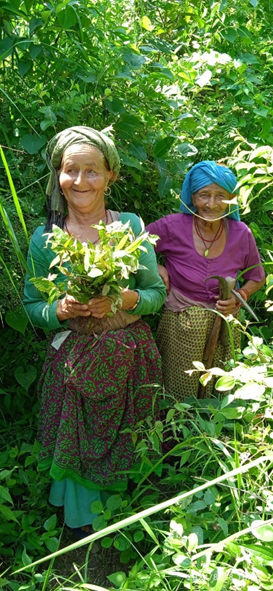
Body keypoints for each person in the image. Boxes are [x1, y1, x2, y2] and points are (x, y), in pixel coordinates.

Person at [23, 126, 166, 536]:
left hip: (128, 357)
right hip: (74, 360)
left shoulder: (130, 227)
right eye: (71, 171)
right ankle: (81, 525)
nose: (81, 181)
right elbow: (33, 307)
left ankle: (124, 520)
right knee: (77, 437)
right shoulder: (45, 239)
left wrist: (124, 299)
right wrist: (60, 309)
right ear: (58, 176)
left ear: (110, 176)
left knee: (124, 434)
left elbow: (155, 293)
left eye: (92, 171)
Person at [146, 161, 265, 402]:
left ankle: (213, 434)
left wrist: (239, 296)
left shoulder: (241, 233)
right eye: (204, 195)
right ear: (192, 197)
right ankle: (173, 436)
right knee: (176, 389)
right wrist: (155, 265)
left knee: (219, 388)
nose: (211, 204)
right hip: (181, 326)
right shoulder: (172, 225)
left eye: (220, 195)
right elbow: (135, 247)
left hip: (224, 326)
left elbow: (257, 277)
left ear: (232, 198)